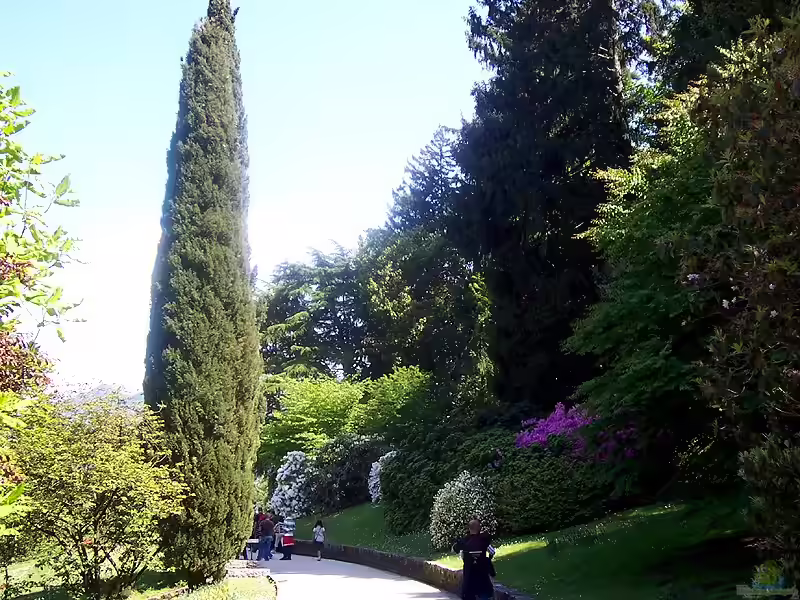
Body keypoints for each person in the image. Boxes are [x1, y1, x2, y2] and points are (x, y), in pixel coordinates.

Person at [452, 519, 495, 600]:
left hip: (469, 574)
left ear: (469, 528)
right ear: (479, 528)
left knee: (469, 593)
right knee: (484, 592)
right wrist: (488, 560)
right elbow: (492, 552)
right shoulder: (483, 540)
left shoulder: (464, 541)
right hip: (482, 572)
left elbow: (454, 550)